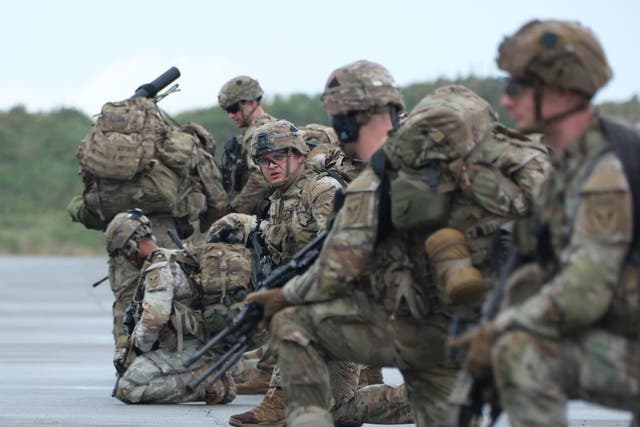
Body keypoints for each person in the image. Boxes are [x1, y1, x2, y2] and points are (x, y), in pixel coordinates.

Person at [248, 60, 550, 426]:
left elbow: (333, 273)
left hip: (424, 330)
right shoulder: (481, 163)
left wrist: (283, 297)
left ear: (344, 120)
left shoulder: (368, 184)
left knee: (295, 322)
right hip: (497, 330)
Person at [455, 19, 640, 427]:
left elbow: (582, 295)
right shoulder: (566, 171)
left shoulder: (608, 172)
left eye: (517, 87)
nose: (506, 101)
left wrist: (499, 330)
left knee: (522, 350)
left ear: (561, 91)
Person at [210, 119, 412, 427]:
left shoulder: (321, 190)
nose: (271, 165)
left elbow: (339, 253)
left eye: (279, 157)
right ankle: (421, 401)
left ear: (300, 156)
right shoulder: (278, 199)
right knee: (340, 411)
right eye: (264, 161)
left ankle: (278, 400)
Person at [104, 209, 236, 404]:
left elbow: (154, 319)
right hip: (205, 343)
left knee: (128, 387)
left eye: (123, 253)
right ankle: (211, 374)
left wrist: (135, 348)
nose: (127, 260)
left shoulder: (158, 269)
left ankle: (206, 382)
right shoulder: (178, 256)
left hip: (187, 349)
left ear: (131, 245)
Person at [218, 75, 279, 214]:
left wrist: (234, 213)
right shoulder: (272, 126)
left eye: (234, 108)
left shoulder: (258, 133)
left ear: (252, 102)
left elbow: (260, 180)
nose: (231, 115)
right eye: (227, 110)